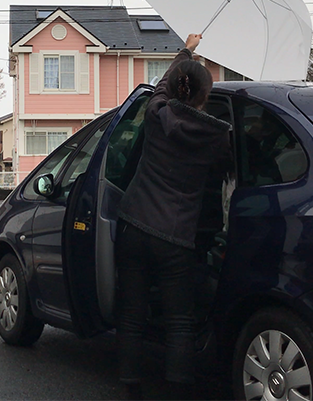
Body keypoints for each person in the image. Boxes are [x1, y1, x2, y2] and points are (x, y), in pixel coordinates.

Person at [115, 34, 231, 401]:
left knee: (132, 313)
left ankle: (130, 387)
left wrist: (187, 51)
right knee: (179, 319)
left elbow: (162, 86)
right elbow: (226, 173)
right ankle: (177, 389)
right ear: (204, 96)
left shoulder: (156, 113)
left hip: (134, 224)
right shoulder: (216, 137)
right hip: (175, 237)